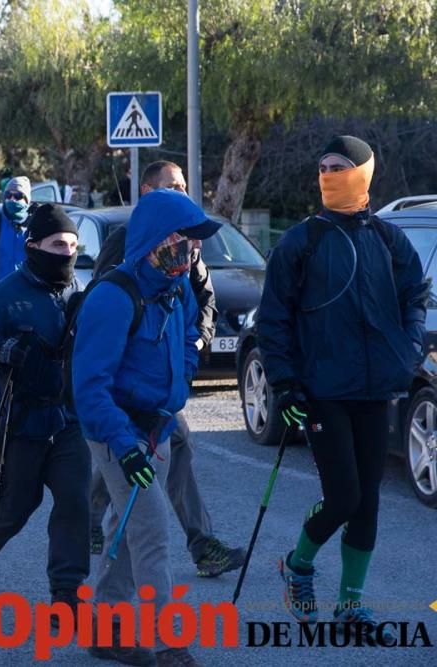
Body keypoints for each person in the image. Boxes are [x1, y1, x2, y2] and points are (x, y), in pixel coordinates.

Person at [260, 135, 427, 634]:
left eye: (339, 166)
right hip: (321, 391)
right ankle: (298, 565)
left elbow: (415, 294)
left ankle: (350, 605)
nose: (328, 174)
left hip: (376, 389)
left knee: (368, 499)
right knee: (344, 497)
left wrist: (410, 343)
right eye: (323, 167)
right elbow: (273, 320)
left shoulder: (388, 238)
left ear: (363, 174)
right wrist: (285, 384)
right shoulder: (301, 240)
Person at [73, 190, 220, 667]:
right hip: (120, 434)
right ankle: (169, 644)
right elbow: (90, 389)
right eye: (179, 246)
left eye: (194, 248)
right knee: (152, 531)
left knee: (124, 527)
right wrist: (125, 446)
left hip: (156, 430)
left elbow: (191, 336)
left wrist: (182, 379)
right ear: (154, 244)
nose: (189, 257)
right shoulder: (113, 298)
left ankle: (104, 627)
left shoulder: (175, 291)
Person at [87, 160, 244, 579]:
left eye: (184, 184)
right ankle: (162, 640)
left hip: (161, 401)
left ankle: (199, 542)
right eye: (171, 186)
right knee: (145, 521)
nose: (181, 191)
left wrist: (187, 358)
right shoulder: (126, 255)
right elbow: (101, 338)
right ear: (147, 190)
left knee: (172, 458)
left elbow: (201, 304)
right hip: (123, 407)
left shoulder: (184, 254)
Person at [0, 204, 91, 622]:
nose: (66, 253)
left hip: (68, 419)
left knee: (75, 501)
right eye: (57, 244)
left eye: (72, 245)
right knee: (12, 508)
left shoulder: (80, 291)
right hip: (20, 420)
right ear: (33, 246)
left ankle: (66, 594)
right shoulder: (5, 295)